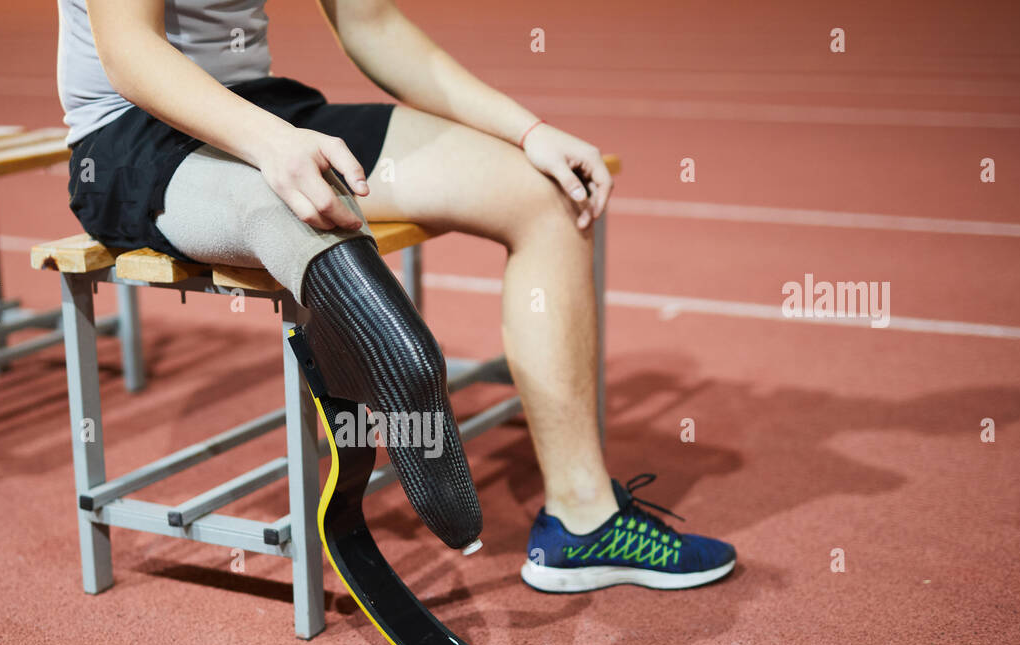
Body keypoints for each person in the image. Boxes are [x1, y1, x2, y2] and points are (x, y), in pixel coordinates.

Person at [58, 0, 735, 593]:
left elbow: (371, 22)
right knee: (287, 207)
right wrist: (273, 146)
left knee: (545, 195)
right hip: (134, 133)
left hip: (266, 106)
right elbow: (130, 53)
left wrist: (527, 131)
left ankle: (583, 521)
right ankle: (388, 353)